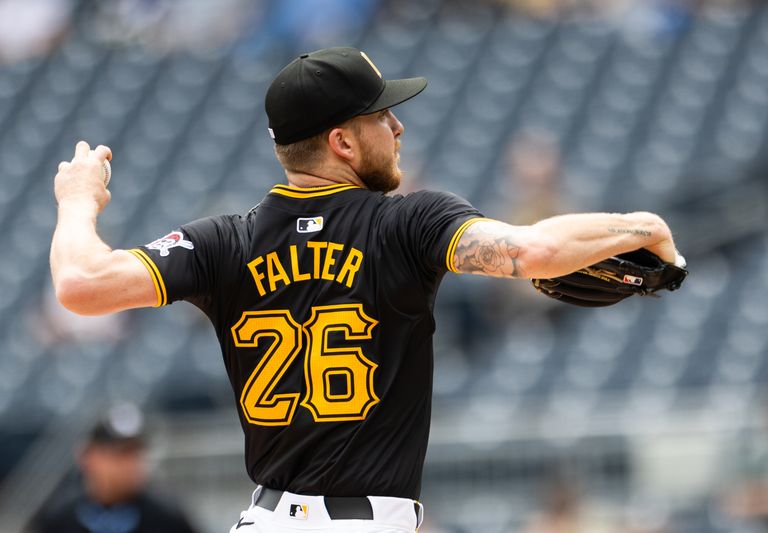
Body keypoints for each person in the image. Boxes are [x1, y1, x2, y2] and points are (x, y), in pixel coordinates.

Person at [49, 47, 681, 533]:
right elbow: (531, 252)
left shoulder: (221, 241)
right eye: (383, 115)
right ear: (343, 141)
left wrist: (77, 201)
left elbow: (80, 285)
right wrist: (641, 225)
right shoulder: (407, 221)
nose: (398, 128)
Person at [32, 404, 199, 533]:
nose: (129, 464)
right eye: (118, 453)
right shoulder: (60, 518)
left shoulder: (167, 517)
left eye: (135, 453)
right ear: (87, 456)